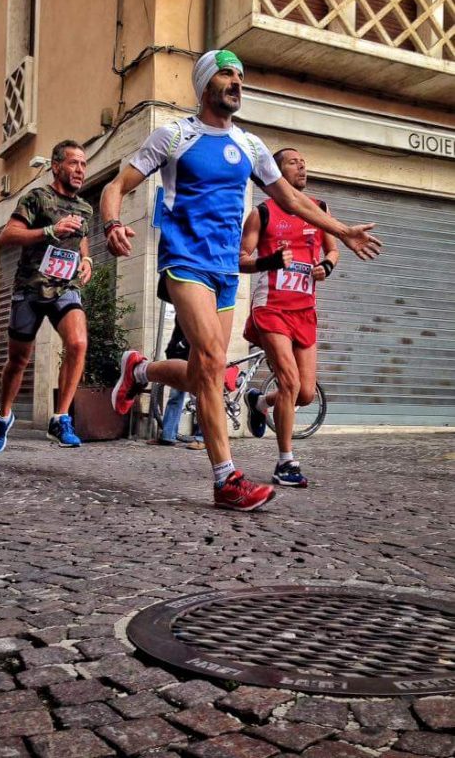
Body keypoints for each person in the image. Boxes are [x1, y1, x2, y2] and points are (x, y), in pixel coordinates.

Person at [101, 49, 381, 511]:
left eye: (240, 75)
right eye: (227, 74)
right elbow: (116, 185)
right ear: (205, 83)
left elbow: (291, 200)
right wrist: (112, 224)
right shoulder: (174, 136)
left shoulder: (250, 146)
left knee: (200, 372)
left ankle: (141, 371)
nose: (236, 82)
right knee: (213, 360)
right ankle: (226, 478)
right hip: (184, 261)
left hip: (226, 270)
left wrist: (342, 230)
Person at [240, 148, 339, 488]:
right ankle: (285, 462)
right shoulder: (262, 213)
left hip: (304, 310)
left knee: (306, 393)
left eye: (304, 162)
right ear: (277, 171)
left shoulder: (319, 209)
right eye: (293, 162)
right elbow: (240, 259)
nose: (302, 166)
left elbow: (333, 248)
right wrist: (269, 263)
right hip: (271, 308)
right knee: (290, 382)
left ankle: (259, 401)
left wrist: (327, 266)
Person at [0, 140, 93, 453]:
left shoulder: (84, 207)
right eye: (73, 163)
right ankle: (4, 415)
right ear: (56, 166)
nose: (79, 170)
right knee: (18, 360)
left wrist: (86, 260)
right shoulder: (37, 198)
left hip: (65, 286)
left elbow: (82, 238)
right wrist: (49, 232)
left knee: (78, 343)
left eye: (83, 164)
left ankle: (60, 418)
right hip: (30, 288)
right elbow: (8, 236)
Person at [150, 319, 205, 449]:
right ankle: (168, 436)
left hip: (195, 354)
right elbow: (179, 330)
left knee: (200, 397)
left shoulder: (201, 302)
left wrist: (184, 343)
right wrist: (174, 348)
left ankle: (202, 438)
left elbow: (202, 328)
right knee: (175, 395)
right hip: (181, 354)